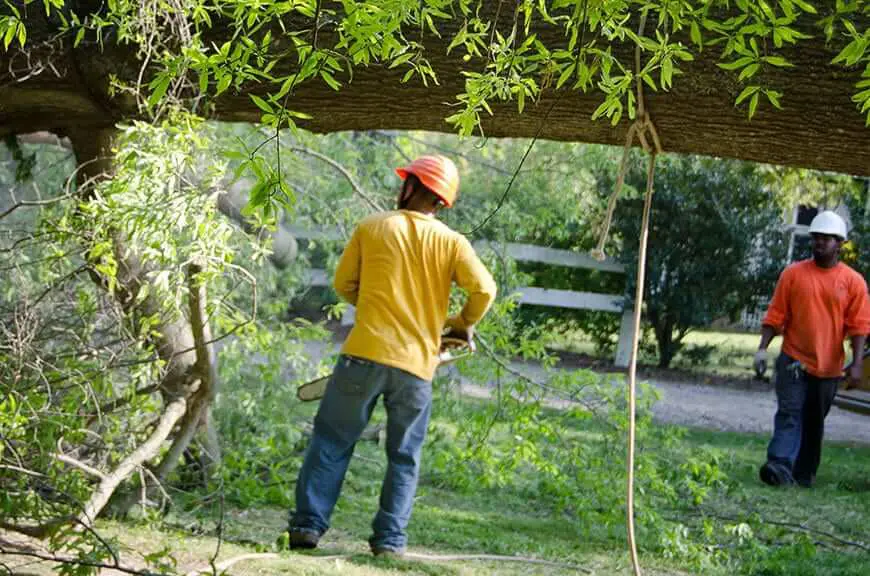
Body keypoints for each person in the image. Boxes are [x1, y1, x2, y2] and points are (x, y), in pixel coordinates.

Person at [288, 155, 497, 555]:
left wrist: (370, 303)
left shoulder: (373, 227)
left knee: (332, 441)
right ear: (442, 201)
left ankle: (307, 527)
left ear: (412, 187)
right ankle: (389, 542)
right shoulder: (453, 242)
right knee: (404, 456)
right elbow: (484, 291)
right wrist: (459, 323)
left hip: (363, 354)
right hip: (417, 366)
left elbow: (343, 283)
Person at [754, 210, 870, 487]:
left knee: (814, 420)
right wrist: (762, 349)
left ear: (840, 243)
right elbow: (776, 315)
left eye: (827, 239)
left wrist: (856, 364)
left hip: (829, 366)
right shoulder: (793, 274)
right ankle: (779, 465)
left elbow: (859, 326)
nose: (820, 243)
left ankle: (804, 473)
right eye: (817, 238)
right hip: (794, 359)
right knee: (790, 413)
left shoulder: (853, 282)